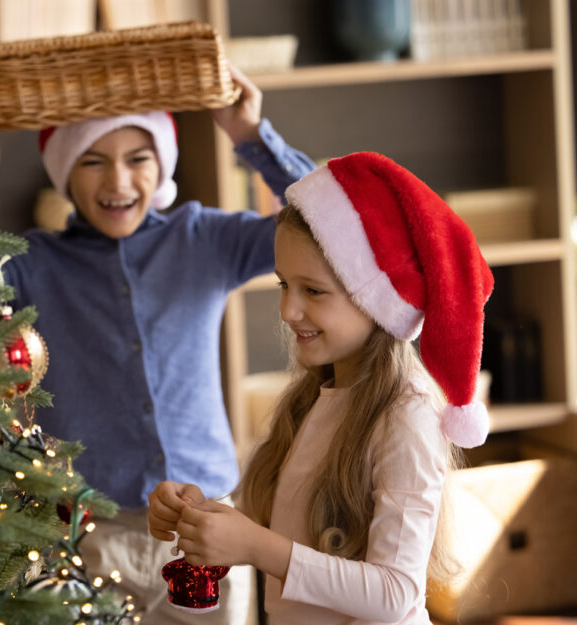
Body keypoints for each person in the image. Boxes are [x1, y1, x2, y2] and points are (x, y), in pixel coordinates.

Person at [0, 67, 317, 625]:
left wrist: (249, 134)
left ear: (161, 165)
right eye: (92, 161)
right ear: (66, 175)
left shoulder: (203, 238)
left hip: (205, 524)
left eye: (138, 159)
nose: (117, 181)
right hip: (86, 531)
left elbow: (321, 226)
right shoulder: (33, 263)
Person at [148, 151, 495, 625]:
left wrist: (255, 545)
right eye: (283, 285)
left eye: (313, 290)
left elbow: (394, 594)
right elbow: (291, 533)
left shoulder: (406, 414)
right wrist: (205, 517)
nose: (288, 310)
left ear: (374, 299)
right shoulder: (312, 397)